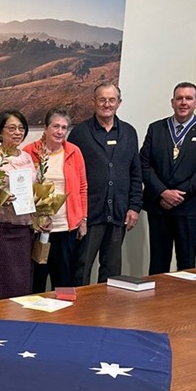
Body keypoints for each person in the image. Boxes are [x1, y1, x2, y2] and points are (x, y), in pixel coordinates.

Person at [140, 82, 196, 274]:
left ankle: (186, 304)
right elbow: (144, 164)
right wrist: (163, 192)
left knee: (187, 263)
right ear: (172, 102)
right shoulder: (156, 129)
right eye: (179, 98)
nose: (183, 103)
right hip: (159, 206)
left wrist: (178, 195)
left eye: (188, 98)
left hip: (190, 208)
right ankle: (157, 304)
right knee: (158, 263)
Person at [68, 82, 142, 283]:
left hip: (119, 214)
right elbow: (72, 176)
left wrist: (134, 206)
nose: (107, 104)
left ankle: (107, 314)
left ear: (119, 103)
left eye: (111, 100)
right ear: (93, 102)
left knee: (112, 272)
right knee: (81, 268)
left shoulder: (129, 132)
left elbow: (136, 172)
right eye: (102, 99)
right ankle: (79, 313)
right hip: (89, 215)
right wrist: (78, 213)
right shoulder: (80, 133)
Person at [24, 107, 88, 291]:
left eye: (64, 127)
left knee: (64, 281)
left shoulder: (74, 152)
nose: (60, 131)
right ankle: (35, 318)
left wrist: (83, 218)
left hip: (65, 227)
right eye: (55, 126)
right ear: (45, 128)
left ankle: (63, 318)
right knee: (37, 279)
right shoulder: (29, 152)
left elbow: (83, 188)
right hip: (38, 228)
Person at [0, 109, 35, 302]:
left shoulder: (27, 158)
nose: (17, 132)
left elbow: (33, 187)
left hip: (23, 230)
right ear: (0, 131)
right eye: (12, 128)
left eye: (21, 128)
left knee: (21, 283)